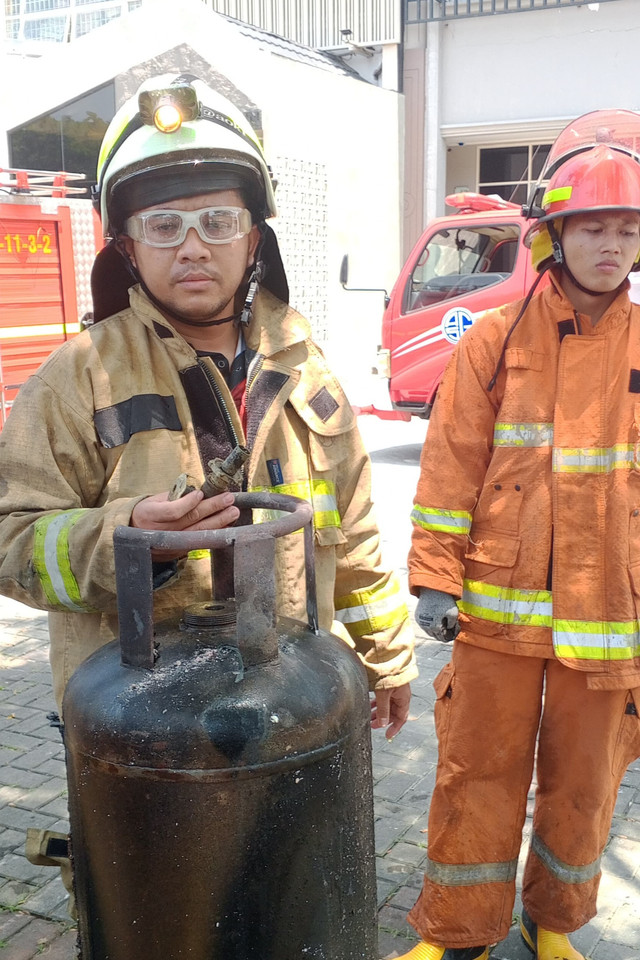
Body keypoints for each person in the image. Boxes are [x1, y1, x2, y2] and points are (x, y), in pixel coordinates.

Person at [0, 77, 415, 760]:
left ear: (254, 239)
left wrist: (388, 656)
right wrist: (125, 539)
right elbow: (12, 541)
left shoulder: (307, 370)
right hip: (142, 740)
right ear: (128, 249)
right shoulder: (77, 378)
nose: (192, 247)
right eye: (163, 226)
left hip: (294, 711)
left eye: (217, 222)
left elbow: (357, 530)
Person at [400, 124, 640, 960]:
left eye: (627, 229)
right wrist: (433, 578)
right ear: (555, 234)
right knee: (477, 775)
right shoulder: (493, 343)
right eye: (593, 227)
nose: (610, 246)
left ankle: (553, 925)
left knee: (584, 788)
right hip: (497, 617)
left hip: (610, 619)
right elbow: (449, 469)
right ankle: (456, 932)